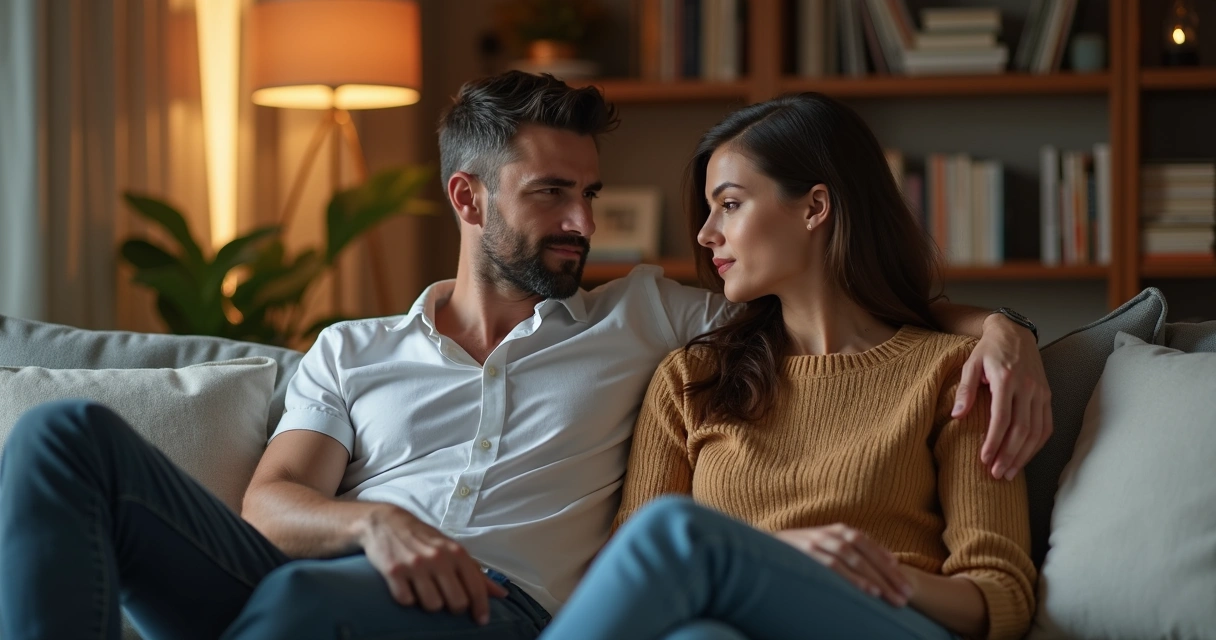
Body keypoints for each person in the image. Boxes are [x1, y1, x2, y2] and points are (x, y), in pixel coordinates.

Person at [0, 73, 1048, 640]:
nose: (582, 221)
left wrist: (998, 330)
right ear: (469, 200)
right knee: (62, 439)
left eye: (590, 195)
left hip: (492, 608)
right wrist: (374, 522)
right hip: (320, 582)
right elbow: (269, 506)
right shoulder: (351, 349)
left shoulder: (645, 319)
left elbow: (845, 311)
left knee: (305, 604)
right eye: (553, 193)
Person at [539, 92, 1037, 640]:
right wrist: (776, 557)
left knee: (674, 531)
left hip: (890, 622)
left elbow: (1001, 595)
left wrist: (863, 571)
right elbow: (631, 566)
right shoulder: (692, 379)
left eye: (729, 204)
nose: (706, 234)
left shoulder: (955, 374)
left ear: (814, 207)